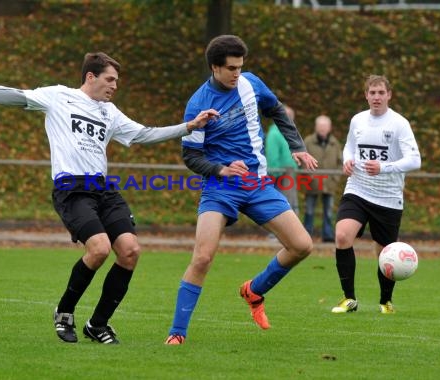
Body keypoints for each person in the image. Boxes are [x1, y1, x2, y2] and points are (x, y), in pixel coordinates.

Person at [0, 52, 218, 344]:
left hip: (103, 189)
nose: (115, 86)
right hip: (71, 190)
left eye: (116, 80)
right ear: (90, 77)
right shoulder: (58, 96)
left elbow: (144, 134)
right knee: (100, 248)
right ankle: (64, 312)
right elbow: (13, 95)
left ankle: (98, 324)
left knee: (129, 251)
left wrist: (189, 126)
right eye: (110, 79)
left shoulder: (109, 112)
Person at [164, 35, 318, 345]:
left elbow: (276, 111)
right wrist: (220, 168)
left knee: (302, 245)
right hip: (220, 187)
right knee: (203, 257)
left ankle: (254, 291)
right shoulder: (198, 104)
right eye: (231, 69)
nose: (237, 74)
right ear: (215, 68)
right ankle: (177, 333)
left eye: (240, 67)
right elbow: (191, 156)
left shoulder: (251, 84)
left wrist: (297, 147)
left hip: (257, 183)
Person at [331, 74, 421, 315]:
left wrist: (385, 167)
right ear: (366, 95)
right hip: (358, 189)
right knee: (342, 236)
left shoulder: (399, 123)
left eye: (381, 92)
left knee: (385, 252)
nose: (376, 97)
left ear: (389, 95)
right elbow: (349, 146)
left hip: (388, 197)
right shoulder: (358, 120)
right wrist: (347, 160)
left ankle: (385, 301)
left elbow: (415, 160)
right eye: (372, 93)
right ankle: (349, 299)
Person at [302, 115, 342, 242]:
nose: (322, 129)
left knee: (329, 211)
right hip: (311, 183)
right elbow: (302, 160)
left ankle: (328, 235)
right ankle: (306, 235)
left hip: (329, 184)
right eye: (320, 127)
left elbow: (340, 162)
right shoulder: (308, 141)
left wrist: (335, 178)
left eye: (325, 127)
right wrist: (309, 176)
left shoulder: (335, 143)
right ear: (316, 127)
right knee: (309, 210)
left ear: (329, 128)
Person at [265, 105, 300, 215]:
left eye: (291, 116)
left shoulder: (289, 132)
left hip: (289, 173)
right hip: (280, 175)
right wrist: (276, 174)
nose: (289, 118)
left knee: (291, 203)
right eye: (287, 115)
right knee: (282, 204)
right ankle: (277, 232)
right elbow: (272, 155)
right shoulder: (274, 133)